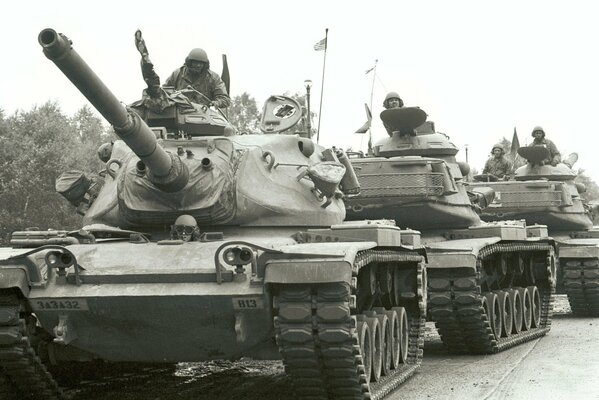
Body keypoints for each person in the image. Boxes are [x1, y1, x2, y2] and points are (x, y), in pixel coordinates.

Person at [164, 48, 231, 108]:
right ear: (189, 62)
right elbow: (165, 92)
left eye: (201, 63)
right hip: (179, 111)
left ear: (205, 64)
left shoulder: (213, 78)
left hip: (202, 114)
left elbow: (225, 99)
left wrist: (217, 102)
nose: (198, 65)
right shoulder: (177, 74)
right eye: (195, 62)